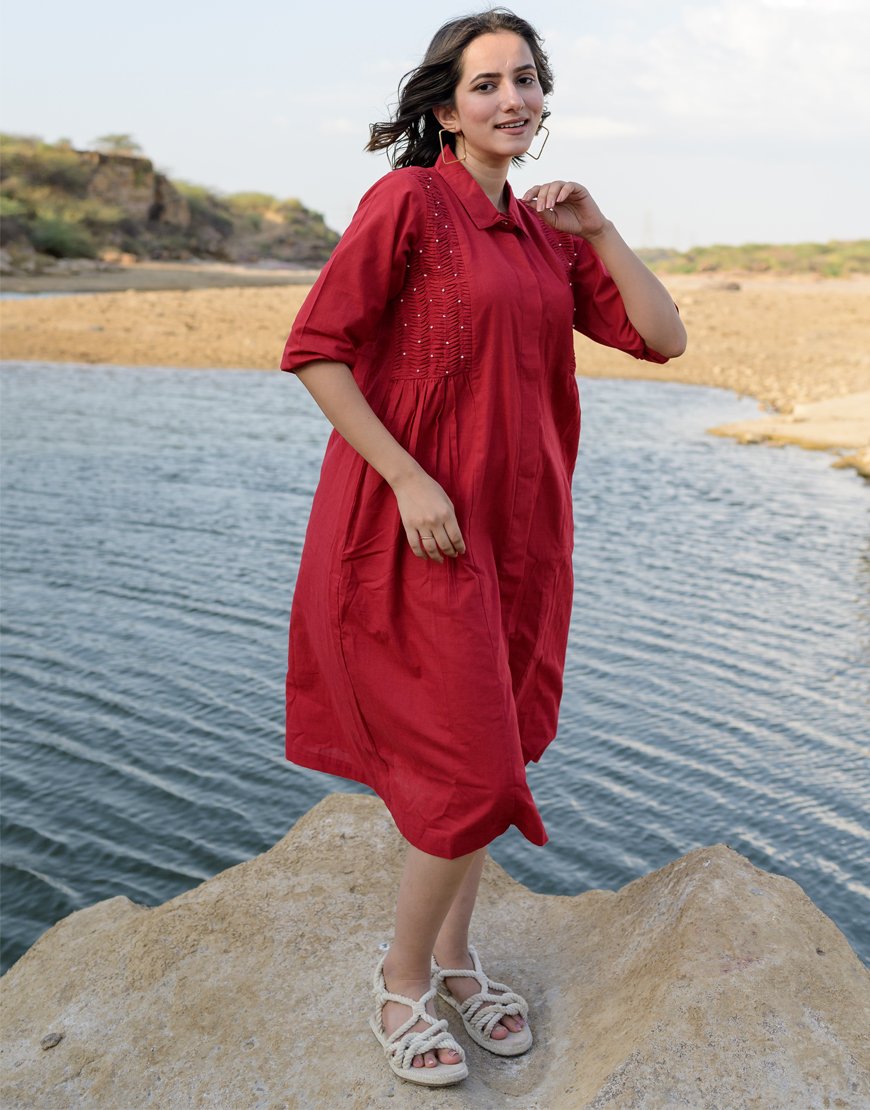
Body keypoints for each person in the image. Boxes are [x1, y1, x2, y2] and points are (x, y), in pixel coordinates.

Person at [279, 7, 686, 1088]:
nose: (510, 99)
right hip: (422, 525)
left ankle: (459, 955)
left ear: (542, 97)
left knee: (501, 746)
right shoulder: (407, 202)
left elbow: (662, 335)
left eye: (525, 80)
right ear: (447, 107)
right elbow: (317, 351)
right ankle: (404, 977)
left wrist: (600, 230)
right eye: (486, 84)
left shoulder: (550, 230)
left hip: (525, 528)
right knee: (464, 761)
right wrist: (407, 475)